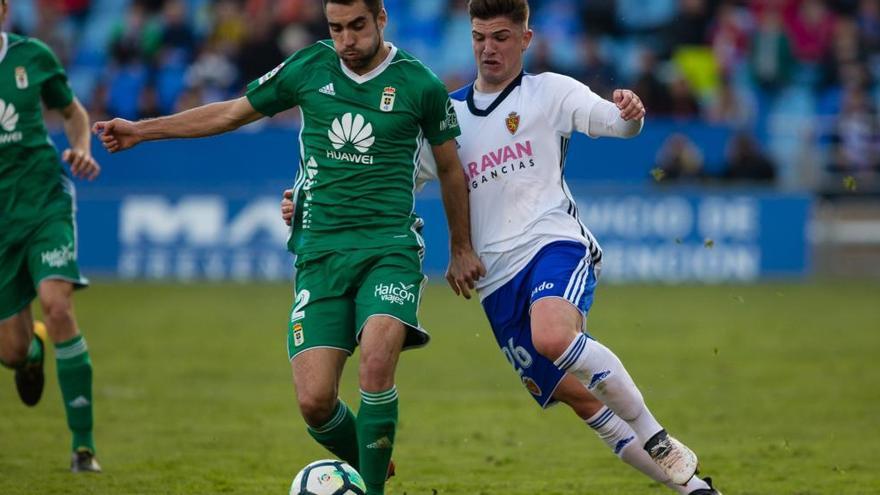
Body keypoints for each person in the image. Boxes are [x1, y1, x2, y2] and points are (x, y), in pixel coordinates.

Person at [283, 0, 723, 492]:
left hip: (552, 243)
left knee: (553, 335)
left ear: (525, 39)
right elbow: (386, 183)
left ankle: (656, 436)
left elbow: (616, 124)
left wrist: (630, 114)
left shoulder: (549, 93)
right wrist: (307, 202)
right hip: (497, 284)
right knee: (580, 398)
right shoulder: (446, 117)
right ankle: (696, 490)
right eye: (479, 37)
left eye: (501, 37)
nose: (488, 49)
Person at [93, 1, 483, 494]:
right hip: (319, 252)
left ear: (382, 19)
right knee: (315, 402)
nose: (347, 40)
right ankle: (372, 460)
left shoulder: (419, 84)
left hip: (389, 248)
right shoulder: (308, 67)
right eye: (336, 28)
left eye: (357, 26)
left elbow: (451, 168)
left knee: (377, 360)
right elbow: (232, 113)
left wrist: (462, 247)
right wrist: (142, 131)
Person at [0, 0, 103, 473]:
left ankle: (83, 448)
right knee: (12, 352)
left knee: (58, 304)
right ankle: (33, 349)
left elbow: (73, 111)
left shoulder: (33, 57)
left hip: (44, 202)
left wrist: (81, 148)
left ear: (3, 11)